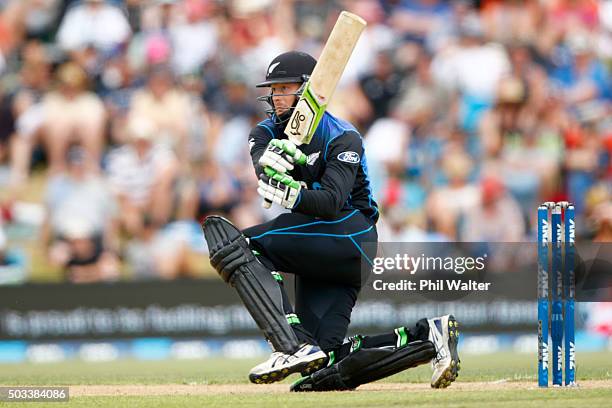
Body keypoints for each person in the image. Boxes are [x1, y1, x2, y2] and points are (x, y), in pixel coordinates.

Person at [201, 51, 460, 392]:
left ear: (308, 90)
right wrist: (272, 164)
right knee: (323, 365)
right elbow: (263, 173)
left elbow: (330, 203)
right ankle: (429, 337)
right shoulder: (263, 133)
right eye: (273, 89)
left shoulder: (342, 136)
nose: (276, 97)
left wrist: (291, 192)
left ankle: (289, 344)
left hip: (351, 234)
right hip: (320, 248)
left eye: (284, 88)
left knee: (237, 246)